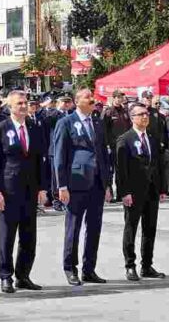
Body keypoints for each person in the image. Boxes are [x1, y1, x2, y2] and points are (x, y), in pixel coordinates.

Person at [0, 90, 49, 293]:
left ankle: (23, 275)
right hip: (8, 191)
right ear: (10, 107)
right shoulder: (0, 129)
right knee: (7, 236)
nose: (24, 106)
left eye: (25, 102)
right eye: (19, 103)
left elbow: (40, 159)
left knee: (29, 236)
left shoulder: (34, 127)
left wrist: (42, 187)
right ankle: (6, 276)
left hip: (30, 190)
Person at [53, 89, 112, 286]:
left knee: (94, 227)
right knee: (74, 227)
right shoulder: (66, 123)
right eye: (87, 97)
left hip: (96, 182)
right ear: (77, 102)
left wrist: (107, 184)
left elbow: (103, 154)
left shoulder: (97, 122)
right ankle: (70, 268)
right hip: (76, 182)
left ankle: (89, 269)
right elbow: (59, 156)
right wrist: (61, 185)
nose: (92, 99)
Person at [116, 102, 167, 281]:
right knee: (131, 228)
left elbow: (158, 166)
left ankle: (147, 265)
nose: (145, 117)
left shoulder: (152, 138)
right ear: (132, 118)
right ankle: (130, 265)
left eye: (146, 114)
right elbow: (121, 170)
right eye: (140, 114)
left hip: (151, 191)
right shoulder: (125, 139)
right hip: (134, 192)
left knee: (150, 229)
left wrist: (162, 188)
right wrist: (124, 192)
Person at [102, 90, 131, 202]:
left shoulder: (124, 111)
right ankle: (109, 194)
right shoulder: (108, 112)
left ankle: (121, 193)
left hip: (123, 145)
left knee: (121, 170)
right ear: (113, 98)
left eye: (121, 97)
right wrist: (107, 144)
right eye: (118, 97)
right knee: (110, 171)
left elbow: (128, 128)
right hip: (112, 146)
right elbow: (103, 130)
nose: (120, 99)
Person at [46, 92, 73, 212]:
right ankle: (56, 199)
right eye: (64, 102)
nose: (66, 104)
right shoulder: (53, 114)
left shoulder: (72, 114)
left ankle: (68, 199)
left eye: (68, 102)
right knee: (56, 176)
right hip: (56, 149)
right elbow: (45, 117)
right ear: (57, 103)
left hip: (70, 150)